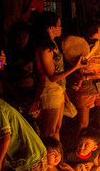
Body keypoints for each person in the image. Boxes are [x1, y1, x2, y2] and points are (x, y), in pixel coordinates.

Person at [32, 12, 88, 140]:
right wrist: (75, 67)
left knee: (57, 128)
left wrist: (77, 64)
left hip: (58, 90)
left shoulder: (53, 44)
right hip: (50, 90)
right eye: (59, 25)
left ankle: (58, 158)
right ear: (50, 28)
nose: (61, 28)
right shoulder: (45, 48)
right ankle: (46, 158)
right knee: (49, 131)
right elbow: (52, 76)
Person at [3, 22, 37, 119]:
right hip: (13, 94)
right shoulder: (6, 53)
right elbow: (2, 74)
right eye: (18, 36)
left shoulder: (33, 53)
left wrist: (36, 99)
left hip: (31, 94)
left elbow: (40, 75)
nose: (21, 39)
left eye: (24, 36)